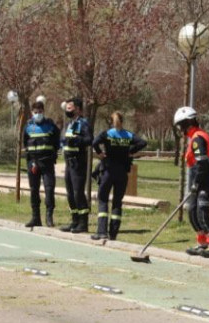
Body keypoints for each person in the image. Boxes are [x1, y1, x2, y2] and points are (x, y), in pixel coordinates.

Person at [91, 111, 147, 242]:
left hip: (108, 172)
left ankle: (101, 232)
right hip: (122, 173)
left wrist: (100, 153)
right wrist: (130, 152)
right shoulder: (128, 135)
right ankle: (113, 234)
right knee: (117, 202)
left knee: (103, 199)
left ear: (111, 121)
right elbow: (143, 143)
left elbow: (94, 142)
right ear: (123, 121)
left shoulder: (107, 134)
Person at [175, 106, 209, 258]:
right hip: (198, 179)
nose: (180, 129)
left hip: (205, 180)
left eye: (181, 126)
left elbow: (202, 163)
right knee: (192, 211)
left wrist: (196, 183)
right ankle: (203, 243)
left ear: (187, 124)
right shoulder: (196, 136)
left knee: (202, 211)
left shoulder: (197, 138)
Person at [23, 98, 60, 229]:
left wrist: (52, 154)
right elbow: (25, 142)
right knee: (34, 190)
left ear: (43, 111)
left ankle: (49, 217)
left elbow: (57, 142)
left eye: (40, 111)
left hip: (47, 163)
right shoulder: (28, 126)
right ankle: (35, 218)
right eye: (35, 111)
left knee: (49, 189)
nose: (38, 113)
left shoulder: (50, 125)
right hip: (33, 163)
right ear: (32, 112)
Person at [58, 97, 93, 232]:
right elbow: (65, 140)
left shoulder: (83, 123)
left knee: (78, 192)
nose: (67, 110)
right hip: (68, 162)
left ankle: (83, 223)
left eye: (70, 108)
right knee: (70, 193)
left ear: (78, 109)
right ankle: (75, 220)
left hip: (78, 162)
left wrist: (77, 140)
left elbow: (89, 140)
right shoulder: (70, 124)